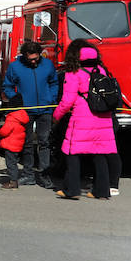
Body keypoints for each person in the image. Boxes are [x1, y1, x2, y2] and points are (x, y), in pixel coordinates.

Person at [51, 39, 120, 200]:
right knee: (100, 153)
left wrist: (56, 116)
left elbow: (67, 100)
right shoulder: (101, 70)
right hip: (103, 116)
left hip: (82, 116)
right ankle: (101, 191)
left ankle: (72, 189)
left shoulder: (73, 73)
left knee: (72, 152)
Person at [1, 40, 59, 189]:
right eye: (30, 59)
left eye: (36, 58)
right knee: (26, 143)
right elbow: (7, 86)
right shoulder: (15, 66)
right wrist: (15, 99)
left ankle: (45, 175)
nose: (34, 61)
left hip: (45, 109)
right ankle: (28, 175)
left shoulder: (47, 65)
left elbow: (54, 83)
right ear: (24, 56)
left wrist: (51, 98)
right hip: (25, 111)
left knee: (44, 142)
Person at [0, 106, 29, 189]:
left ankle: (13, 181)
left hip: (10, 145)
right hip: (17, 144)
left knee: (11, 164)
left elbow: (5, 131)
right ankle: (14, 180)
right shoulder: (22, 118)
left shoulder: (12, 119)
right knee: (13, 162)